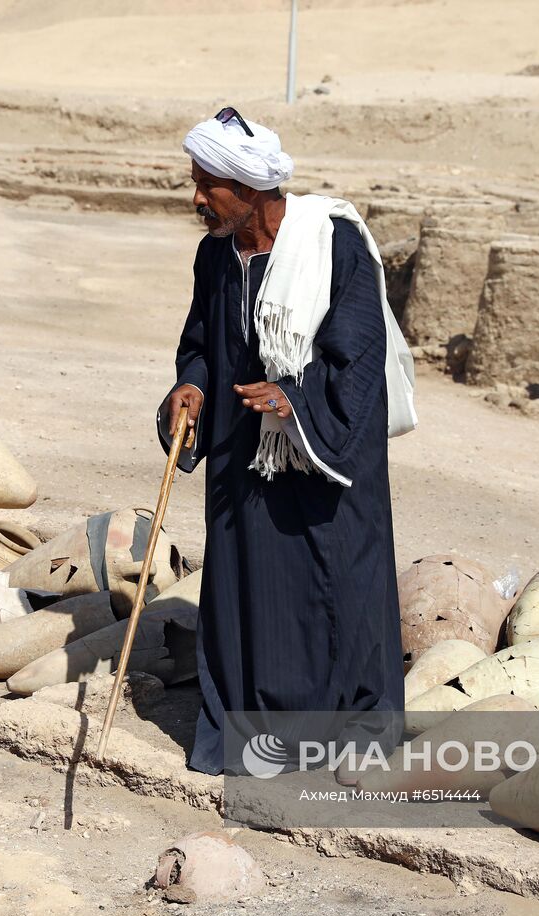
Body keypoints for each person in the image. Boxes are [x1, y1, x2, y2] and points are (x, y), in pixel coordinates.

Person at [158, 108, 418, 777]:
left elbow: (358, 353)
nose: (195, 198)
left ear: (247, 190)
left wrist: (296, 402)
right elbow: (203, 342)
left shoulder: (333, 243)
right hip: (243, 457)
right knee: (246, 594)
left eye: (205, 186)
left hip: (318, 462)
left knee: (328, 596)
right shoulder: (216, 252)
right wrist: (192, 386)